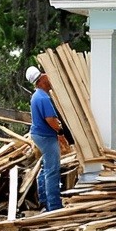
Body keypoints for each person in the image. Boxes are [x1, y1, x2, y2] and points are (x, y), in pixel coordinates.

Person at [26, 66, 69, 212]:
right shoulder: (43, 97)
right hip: (46, 136)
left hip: (39, 135)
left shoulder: (36, 95)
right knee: (52, 170)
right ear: (41, 80)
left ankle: (44, 199)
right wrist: (60, 132)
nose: (48, 76)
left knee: (46, 167)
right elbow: (50, 119)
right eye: (44, 75)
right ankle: (54, 206)